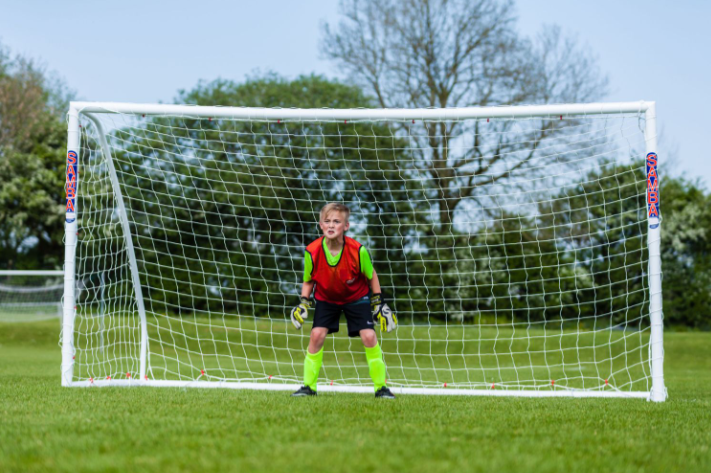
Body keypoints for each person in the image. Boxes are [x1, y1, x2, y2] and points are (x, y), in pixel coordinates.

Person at [289, 203, 397, 398]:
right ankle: (308, 387)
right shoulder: (311, 251)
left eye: (337, 221)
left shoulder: (358, 250)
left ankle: (381, 388)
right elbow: (308, 280)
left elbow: (371, 275)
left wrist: (378, 303)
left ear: (346, 226)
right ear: (321, 225)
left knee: (369, 337)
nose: (331, 225)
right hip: (326, 298)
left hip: (356, 297)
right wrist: (303, 303)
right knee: (316, 336)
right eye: (327, 221)